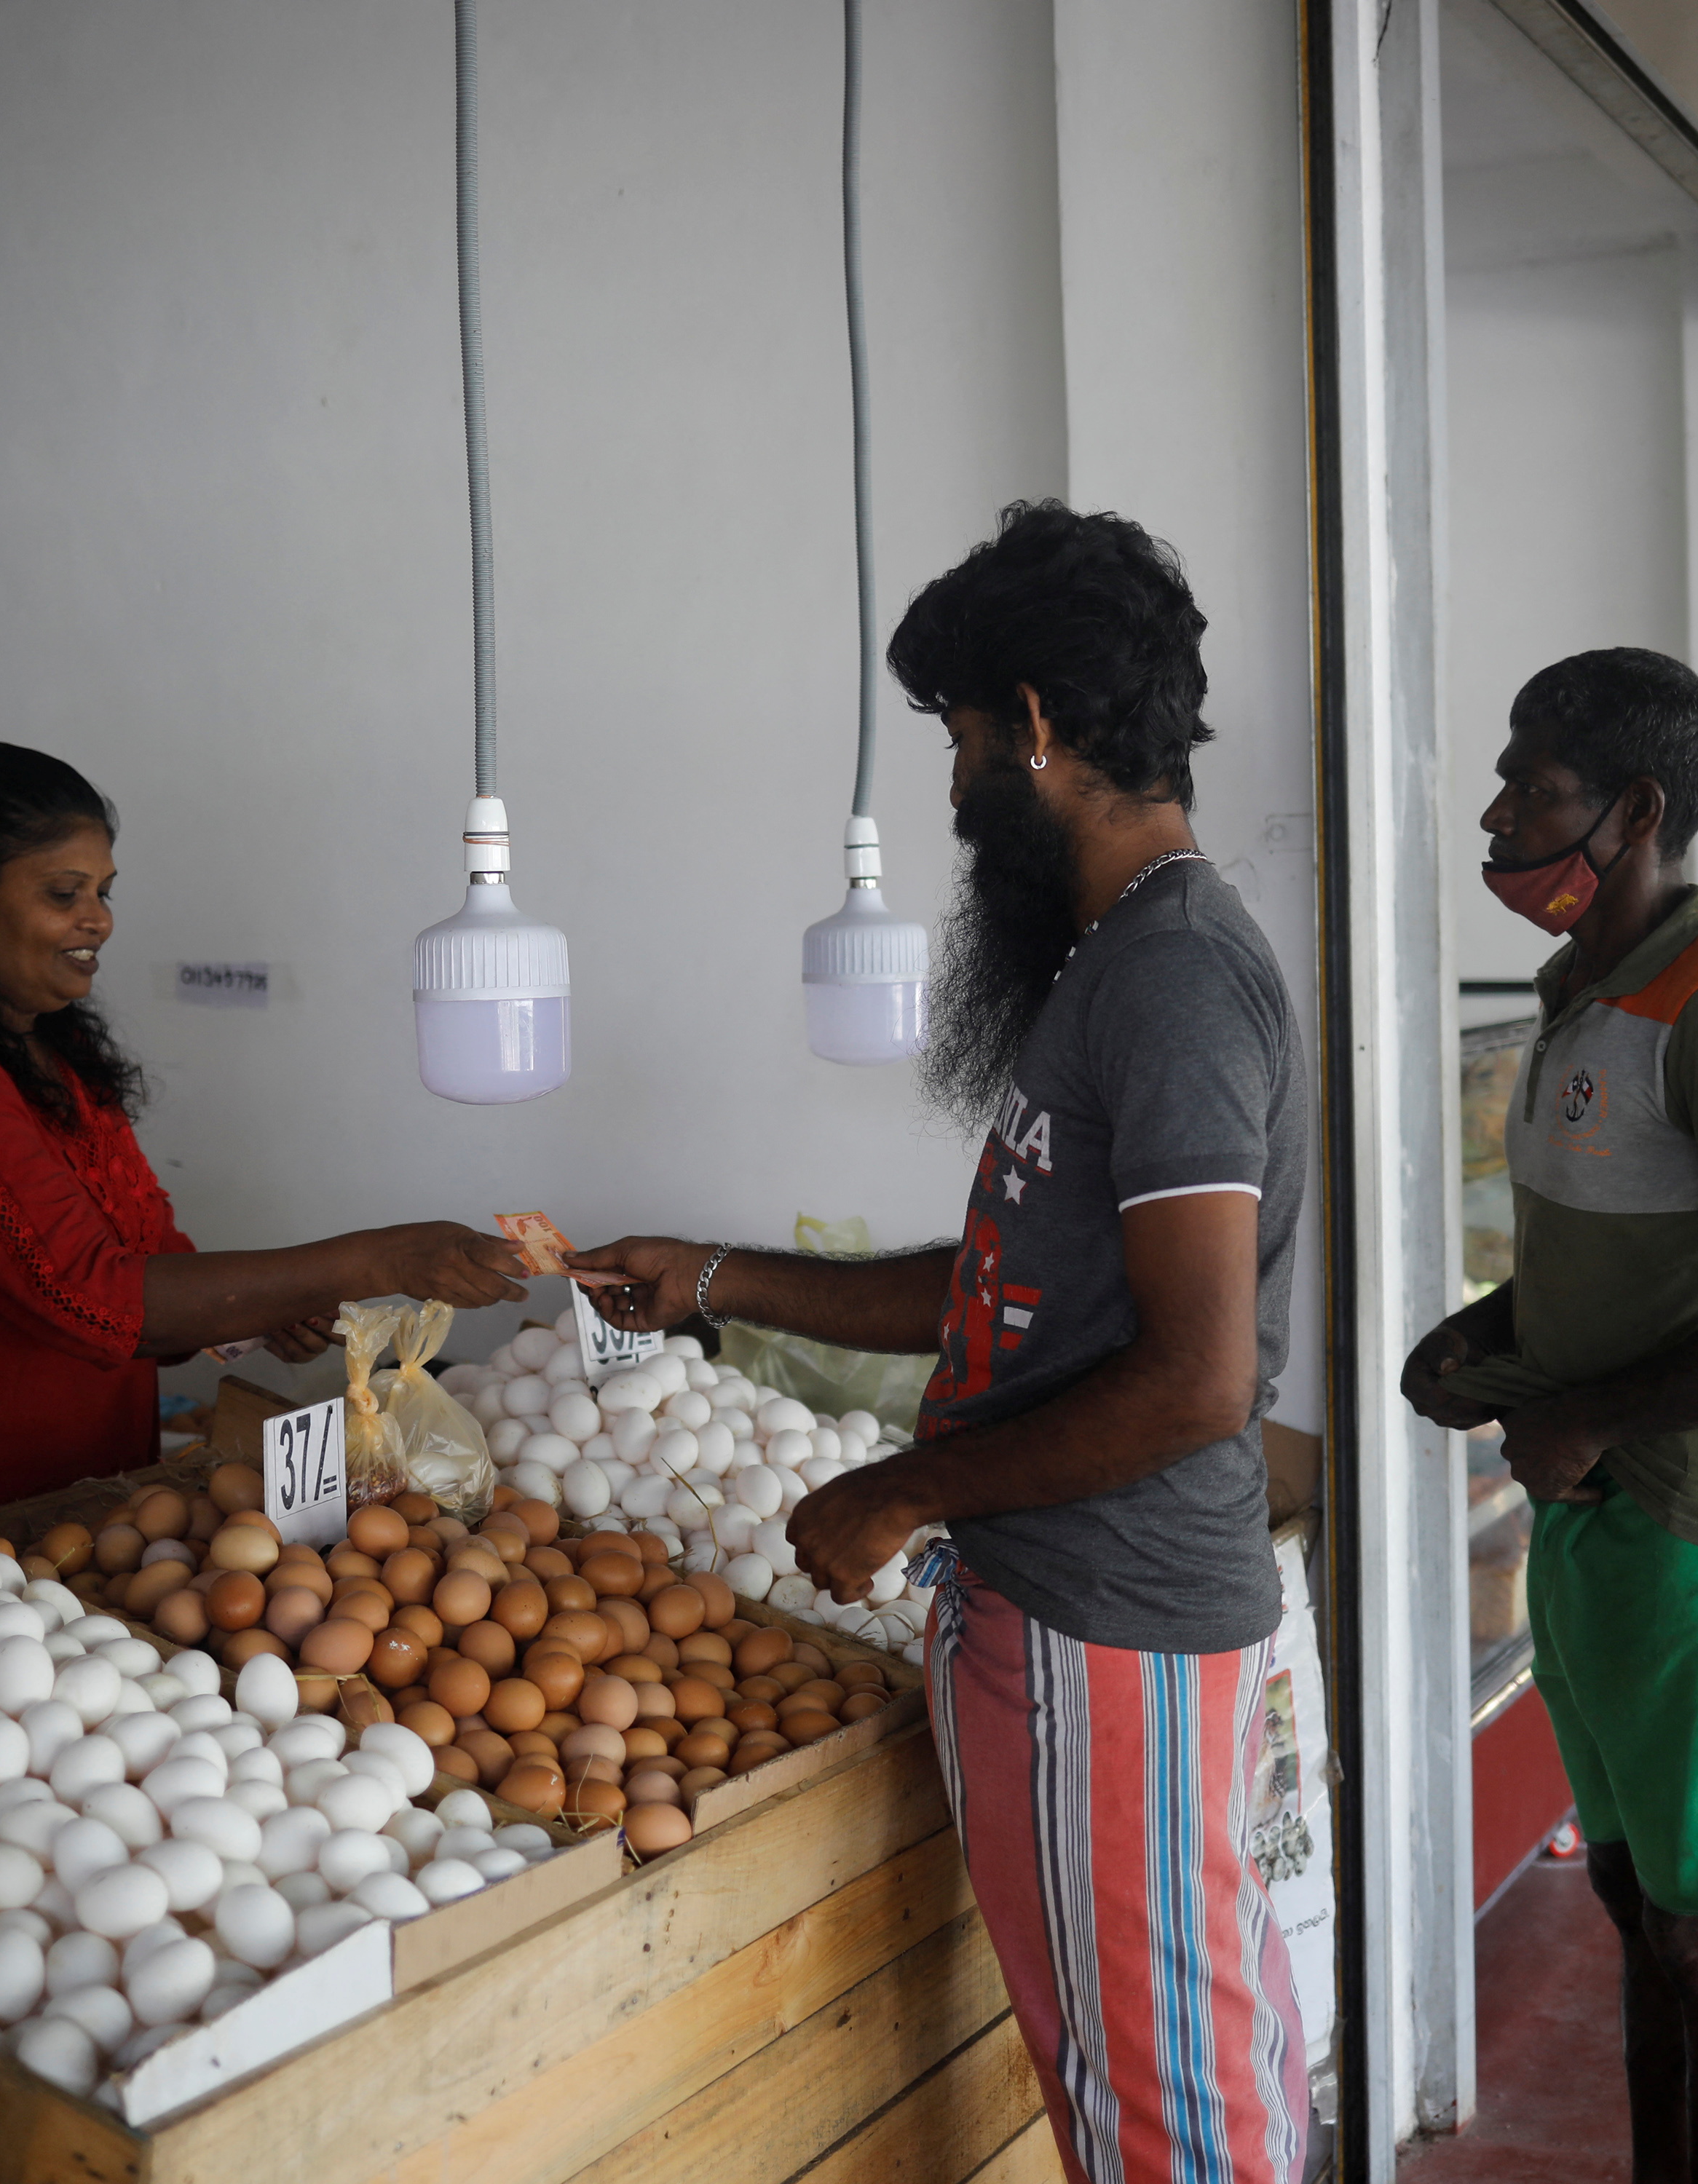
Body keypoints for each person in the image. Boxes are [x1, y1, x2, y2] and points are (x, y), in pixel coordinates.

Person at [574, 503, 1310, 2184]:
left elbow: (1197, 1380)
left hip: (1108, 1616)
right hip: (1061, 1609)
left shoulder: (1177, 980)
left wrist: (901, 1486)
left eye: (960, 739)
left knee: (1171, 2117)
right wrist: (711, 1276)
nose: (955, 785)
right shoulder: (1112, 966)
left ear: (1036, 725)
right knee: (1151, 2081)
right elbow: (995, 1281)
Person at [1399, 649, 1698, 2184]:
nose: (1498, 815)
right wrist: (1482, 1342)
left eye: (1533, 789)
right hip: (1593, 1528)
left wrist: (1590, 1415)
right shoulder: (1578, 1003)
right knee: (1638, 1911)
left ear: (1637, 810)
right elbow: (1615, 1267)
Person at [0, 741, 534, 1514]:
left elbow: (149, 1258)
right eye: (63, 892)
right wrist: (380, 1261)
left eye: (104, 892)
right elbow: (99, 1301)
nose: (98, 921)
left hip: (71, 1506)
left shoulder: (37, 1041)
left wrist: (266, 1305)